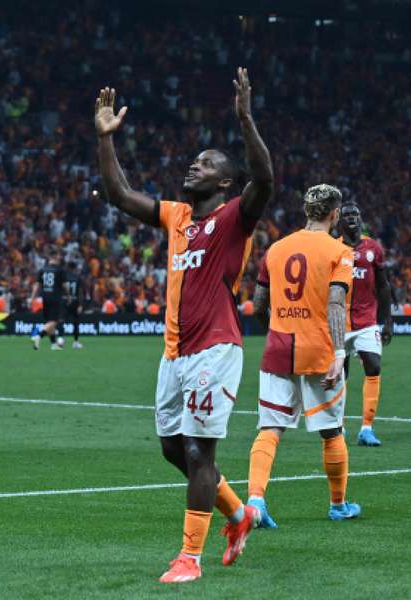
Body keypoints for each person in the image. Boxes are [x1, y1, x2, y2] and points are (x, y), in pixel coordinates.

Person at [95, 67, 273, 583]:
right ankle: (239, 515)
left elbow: (264, 179)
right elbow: (119, 195)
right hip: (174, 352)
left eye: (205, 165)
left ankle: (188, 560)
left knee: (199, 450)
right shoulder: (177, 216)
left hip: (216, 347)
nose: (192, 167)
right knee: (173, 447)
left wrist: (245, 118)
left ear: (223, 182)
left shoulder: (236, 216)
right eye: (193, 162)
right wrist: (105, 140)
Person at [247, 184, 360, 529]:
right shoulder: (339, 251)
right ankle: (338, 505)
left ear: (305, 211)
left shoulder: (277, 249)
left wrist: (279, 328)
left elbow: (259, 306)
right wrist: (340, 351)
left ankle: (255, 501)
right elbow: (336, 303)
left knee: (270, 428)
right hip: (320, 351)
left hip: (279, 348)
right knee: (331, 430)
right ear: (334, 214)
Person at [337, 201, 393, 446]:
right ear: (339, 220)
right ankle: (338, 426)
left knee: (374, 365)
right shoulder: (332, 248)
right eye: (346, 214)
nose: (351, 217)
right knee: (340, 374)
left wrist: (387, 320)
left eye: (355, 214)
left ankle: (366, 429)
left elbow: (383, 285)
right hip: (338, 321)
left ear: (361, 218)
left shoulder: (373, 248)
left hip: (367, 321)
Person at [30, 249, 65, 350]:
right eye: (58, 256)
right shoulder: (59, 270)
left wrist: (32, 297)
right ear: (54, 257)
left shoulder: (42, 270)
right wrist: (68, 294)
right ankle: (39, 336)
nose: (59, 258)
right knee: (55, 321)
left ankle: (53, 344)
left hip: (45, 298)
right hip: (55, 298)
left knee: (50, 321)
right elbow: (64, 285)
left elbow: (37, 285)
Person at [63, 261, 85, 349]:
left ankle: (61, 340)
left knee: (62, 321)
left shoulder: (64, 277)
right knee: (76, 323)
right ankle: (76, 342)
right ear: (75, 268)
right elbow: (80, 292)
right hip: (75, 302)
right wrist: (80, 304)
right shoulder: (77, 278)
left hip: (65, 301)